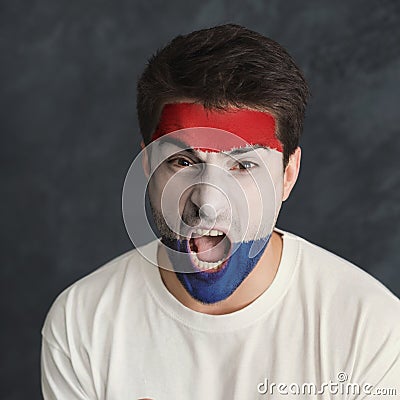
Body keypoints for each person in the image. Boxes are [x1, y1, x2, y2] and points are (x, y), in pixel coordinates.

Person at [41, 24, 400, 400]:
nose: (207, 203)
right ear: (147, 163)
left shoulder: (371, 327)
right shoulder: (81, 322)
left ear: (287, 176)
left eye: (242, 166)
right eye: (182, 161)